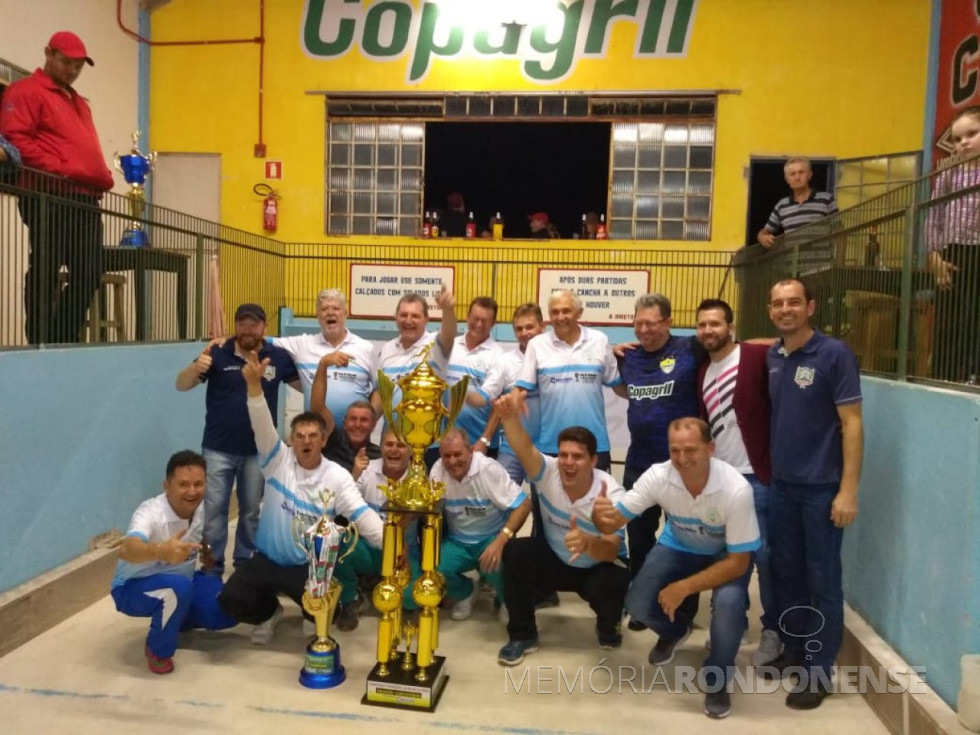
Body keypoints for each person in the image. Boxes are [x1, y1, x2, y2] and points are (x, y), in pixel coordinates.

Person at [593, 418, 760, 720]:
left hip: (725, 555)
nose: (682, 459)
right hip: (679, 545)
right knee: (636, 604)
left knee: (729, 605)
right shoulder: (658, 476)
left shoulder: (736, 489)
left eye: (691, 450)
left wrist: (683, 587)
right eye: (675, 450)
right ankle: (676, 631)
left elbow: (738, 563)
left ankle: (718, 677)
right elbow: (615, 520)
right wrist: (599, 516)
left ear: (711, 448)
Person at [217, 350, 384, 643]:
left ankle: (311, 614)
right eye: (299, 436)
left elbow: (361, 514)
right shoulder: (276, 460)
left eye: (313, 436)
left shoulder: (337, 476)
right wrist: (254, 386)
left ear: (323, 440)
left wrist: (392, 544)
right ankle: (269, 613)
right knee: (230, 600)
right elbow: (261, 423)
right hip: (267, 560)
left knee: (327, 614)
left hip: (307, 567)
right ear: (291, 440)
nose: (306, 441)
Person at [762, 278, 863, 710]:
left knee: (822, 581)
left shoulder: (834, 354)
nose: (786, 309)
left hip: (822, 489)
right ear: (770, 311)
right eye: (778, 303)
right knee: (787, 573)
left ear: (811, 307)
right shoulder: (774, 356)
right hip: (782, 487)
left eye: (794, 302)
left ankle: (819, 672)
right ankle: (795, 650)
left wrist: (848, 491)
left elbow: (852, 424)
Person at [494, 392, 629, 665]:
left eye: (578, 456)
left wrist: (588, 543)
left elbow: (611, 550)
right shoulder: (549, 471)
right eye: (564, 455)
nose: (568, 462)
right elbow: (524, 448)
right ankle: (523, 636)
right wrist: (509, 418)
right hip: (556, 558)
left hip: (596, 566)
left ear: (593, 461)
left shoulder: (611, 494)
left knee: (614, 580)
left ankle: (609, 625)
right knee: (516, 551)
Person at [0, 31, 114, 344]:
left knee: (89, 273)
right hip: (47, 194)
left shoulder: (79, 103)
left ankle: (60, 339)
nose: (72, 70)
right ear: (48, 53)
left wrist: (98, 172)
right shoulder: (25, 91)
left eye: (78, 66)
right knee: (46, 267)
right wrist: (63, 168)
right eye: (66, 62)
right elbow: (15, 141)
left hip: (85, 196)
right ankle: (41, 341)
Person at [175, 303, 299, 576]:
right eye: (242, 323)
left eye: (254, 324)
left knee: (251, 510)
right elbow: (181, 384)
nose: (247, 329)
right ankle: (212, 566)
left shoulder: (278, 357)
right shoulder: (216, 353)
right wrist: (195, 367)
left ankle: (245, 564)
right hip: (217, 448)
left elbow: (305, 385)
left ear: (264, 327)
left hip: (259, 451)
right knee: (214, 511)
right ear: (235, 325)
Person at [695, 298, 781, 666]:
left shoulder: (754, 357)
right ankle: (733, 623)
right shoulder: (703, 370)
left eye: (716, 324)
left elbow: (786, 342)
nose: (708, 331)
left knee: (765, 557)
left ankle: (774, 630)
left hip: (757, 477)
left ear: (731, 327)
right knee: (726, 556)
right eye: (702, 325)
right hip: (722, 480)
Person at [613, 294, 706, 617]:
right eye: (638, 323)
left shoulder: (691, 348)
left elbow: (736, 347)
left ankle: (683, 606)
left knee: (684, 538)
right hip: (639, 463)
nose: (644, 330)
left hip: (684, 467)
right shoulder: (628, 357)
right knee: (639, 537)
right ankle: (643, 601)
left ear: (668, 322)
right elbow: (617, 384)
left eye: (651, 323)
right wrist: (613, 350)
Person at [110, 450, 237, 674]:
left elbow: (197, 535)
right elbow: (127, 550)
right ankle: (157, 650)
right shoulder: (150, 513)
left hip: (184, 581)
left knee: (229, 608)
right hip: (132, 588)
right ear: (167, 486)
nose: (192, 491)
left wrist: (206, 550)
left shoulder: (201, 508)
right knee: (176, 590)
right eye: (183, 485)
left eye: (198, 484)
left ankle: (178, 617)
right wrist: (160, 551)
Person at [515, 290, 621, 472]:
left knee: (597, 492)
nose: (560, 317)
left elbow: (618, 385)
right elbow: (520, 389)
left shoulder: (599, 340)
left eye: (566, 311)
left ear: (579, 313)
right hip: (551, 446)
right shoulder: (537, 345)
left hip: (595, 445)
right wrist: (512, 401)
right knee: (548, 492)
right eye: (554, 312)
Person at [431, 428, 530, 621]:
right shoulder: (437, 470)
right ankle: (467, 591)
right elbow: (431, 509)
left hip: (491, 537)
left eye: (458, 454)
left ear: (470, 451)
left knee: (498, 563)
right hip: (457, 541)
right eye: (446, 456)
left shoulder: (489, 469)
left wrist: (500, 541)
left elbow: (524, 505)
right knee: (432, 568)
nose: (452, 461)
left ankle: (504, 600)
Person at [335, 428, 420, 628]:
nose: (394, 450)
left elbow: (429, 514)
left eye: (401, 446)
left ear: (410, 451)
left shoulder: (419, 476)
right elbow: (343, 502)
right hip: (369, 549)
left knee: (410, 600)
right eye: (389, 444)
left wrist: (412, 514)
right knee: (339, 542)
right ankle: (352, 598)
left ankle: (379, 582)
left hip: (404, 553)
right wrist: (354, 473)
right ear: (381, 448)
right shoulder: (366, 470)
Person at [926, 106, 980, 383]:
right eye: (958, 139)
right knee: (950, 319)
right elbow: (933, 218)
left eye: (972, 134)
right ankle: (943, 377)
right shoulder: (948, 176)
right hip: (952, 255)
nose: (964, 143)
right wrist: (935, 257)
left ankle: (975, 375)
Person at [377, 287, 458, 466]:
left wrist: (448, 310)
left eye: (415, 316)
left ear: (426, 319)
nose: (408, 320)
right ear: (396, 317)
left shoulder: (435, 345)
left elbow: (449, 334)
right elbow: (381, 394)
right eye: (403, 315)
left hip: (428, 446)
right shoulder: (387, 349)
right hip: (393, 444)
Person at [272, 288, 378, 419]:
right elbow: (263, 341)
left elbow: (379, 390)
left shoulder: (365, 348)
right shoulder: (302, 345)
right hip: (316, 431)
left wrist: (370, 420)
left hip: (355, 430)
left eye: (336, 308)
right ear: (317, 316)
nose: (330, 312)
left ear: (345, 314)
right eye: (324, 309)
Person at [446, 296, 509, 455]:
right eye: (475, 318)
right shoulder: (449, 346)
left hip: (479, 445)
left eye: (485, 321)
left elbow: (489, 400)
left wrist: (484, 440)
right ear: (467, 317)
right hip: (444, 442)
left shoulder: (499, 356)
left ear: (493, 323)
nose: (479, 324)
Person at [310, 351, 380, 477]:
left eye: (364, 420)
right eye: (353, 419)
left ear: (373, 425)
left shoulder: (379, 456)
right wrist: (323, 365)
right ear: (344, 423)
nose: (357, 424)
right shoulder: (333, 442)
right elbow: (317, 407)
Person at [757, 157, 839, 249]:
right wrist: (761, 237)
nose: (797, 177)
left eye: (801, 172)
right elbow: (765, 231)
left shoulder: (826, 199)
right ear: (787, 179)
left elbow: (840, 233)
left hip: (822, 258)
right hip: (792, 258)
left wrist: (840, 258)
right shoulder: (781, 206)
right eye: (793, 174)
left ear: (810, 175)